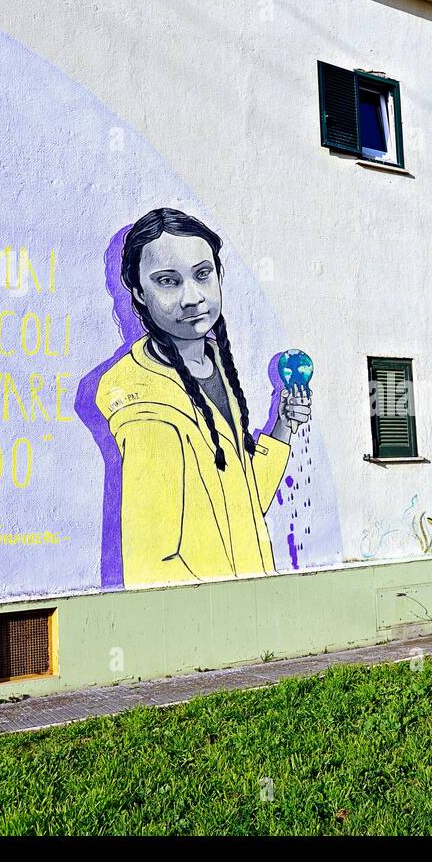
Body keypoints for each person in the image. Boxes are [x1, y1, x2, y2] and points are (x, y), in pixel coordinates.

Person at [95, 208, 310, 586]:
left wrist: (283, 426)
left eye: (202, 274)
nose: (192, 297)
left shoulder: (214, 365)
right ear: (139, 294)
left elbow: (242, 500)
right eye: (167, 281)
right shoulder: (147, 408)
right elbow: (152, 566)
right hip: (219, 623)